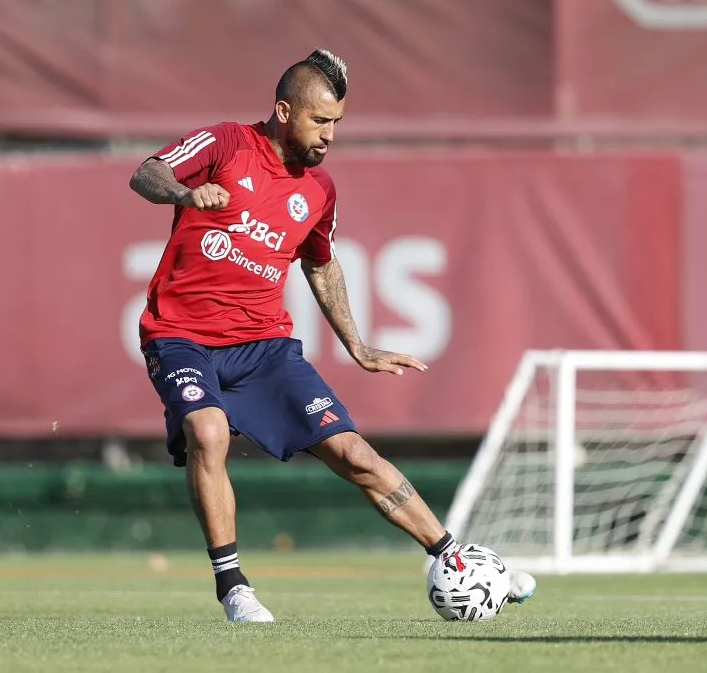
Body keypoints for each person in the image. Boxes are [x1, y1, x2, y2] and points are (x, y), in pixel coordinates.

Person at [128, 48, 534, 622]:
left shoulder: (319, 190)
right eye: (320, 121)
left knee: (352, 451)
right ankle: (234, 588)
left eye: (337, 123)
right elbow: (146, 172)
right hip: (181, 337)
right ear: (283, 110)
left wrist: (358, 347)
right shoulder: (224, 143)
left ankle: (460, 560)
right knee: (208, 430)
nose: (329, 135)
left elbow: (320, 265)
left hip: (265, 347)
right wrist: (185, 194)